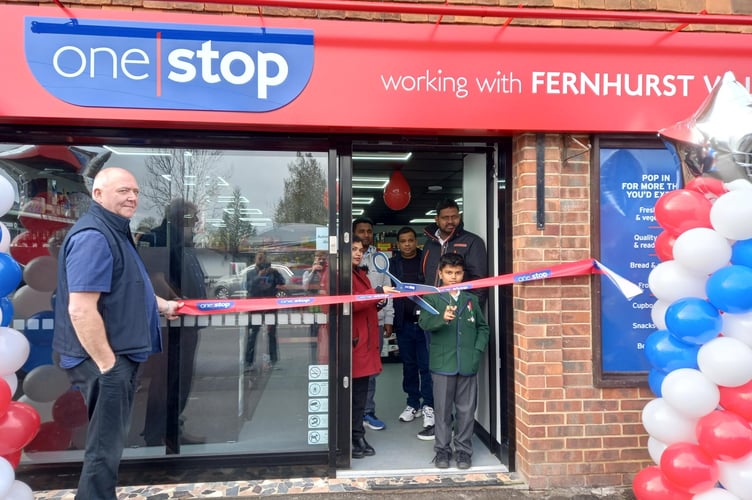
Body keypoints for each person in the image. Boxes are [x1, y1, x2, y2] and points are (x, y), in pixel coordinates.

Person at [52, 167, 183, 500]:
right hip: (104, 361)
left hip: (114, 357)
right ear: (98, 194)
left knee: (108, 445)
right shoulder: (94, 236)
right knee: (104, 448)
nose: (133, 197)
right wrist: (107, 364)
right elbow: (81, 309)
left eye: (136, 192)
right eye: (124, 190)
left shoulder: (116, 232)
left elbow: (126, 288)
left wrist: (164, 305)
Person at [418, 198, 487, 440]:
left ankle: (462, 441)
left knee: (463, 390)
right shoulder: (429, 244)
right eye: (445, 217)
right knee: (437, 373)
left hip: (463, 320)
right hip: (434, 314)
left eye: (454, 216)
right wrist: (427, 307)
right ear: (436, 219)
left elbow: (480, 283)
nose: (450, 221)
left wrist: (468, 310)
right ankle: (438, 432)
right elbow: (424, 277)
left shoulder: (472, 242)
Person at [139, 199, 207, 446]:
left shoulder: (184, 243)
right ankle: (156, 433)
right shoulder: (157, 238)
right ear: (179, 218)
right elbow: (154, 278)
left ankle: (173, 428)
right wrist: (177, 301)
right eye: (192, 218)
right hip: (170, 322)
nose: (197, 222)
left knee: (183, 377)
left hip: (188, 322)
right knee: (165, 379)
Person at [418, 253, 489, 470]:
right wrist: (441, 318)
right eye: (449, 272)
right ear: (440, 273)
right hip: (442, 364)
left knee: (466, 411)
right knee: (442, 410)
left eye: (458, 273)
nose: (453, 277)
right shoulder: (431, 298)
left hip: (467, 363)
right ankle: (442, 450)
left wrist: (476, 350)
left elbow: (482, 328)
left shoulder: (471, 299)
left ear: (463, 274)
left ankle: (464, 451)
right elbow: (424, 323)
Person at [350, 235, 397, 458]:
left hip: (364, 344)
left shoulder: (361, 274)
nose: (358, 253)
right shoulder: (342, 275)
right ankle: (351, 438)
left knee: (359, 395)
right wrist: (376, 293)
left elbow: (363, 305)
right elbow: (350, 302)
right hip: (353, 345)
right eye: (354, 249)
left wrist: (377, 304)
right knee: (353, 396)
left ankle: (357, 435)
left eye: (361, 249)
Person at [389, 227, 434, 430]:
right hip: (403, 323)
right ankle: (412, 403)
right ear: (398, 244)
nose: (407, 244)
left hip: (424, 324)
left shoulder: (425, 260)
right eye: (403, 241)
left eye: (410, 240)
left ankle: (429, 405)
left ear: (416, 241)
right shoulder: (392, 264)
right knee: (409, 366)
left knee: (426, 366)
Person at [245, 251, 286, 371]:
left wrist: (275, 273)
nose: (262, 262)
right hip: (255, 308)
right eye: (260, 259)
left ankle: (273, 361)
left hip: (270, 307)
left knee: (272, 334)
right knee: (253, 334)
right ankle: (249, 362)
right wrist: (259, 276)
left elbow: (282, 282)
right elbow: (249, 287)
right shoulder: (250, 273)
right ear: (255, 260)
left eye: (264, 259)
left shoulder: (272, 272)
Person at [303, 250, 329, 364]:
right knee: (314, 335)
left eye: (323, 258)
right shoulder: (308, 272)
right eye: (318, 258)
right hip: (314, 309)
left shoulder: (328, 271)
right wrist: (313, 271)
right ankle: (314, 360)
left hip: (326, 308)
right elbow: (305, 287)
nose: (321, 260)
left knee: (327, 336)